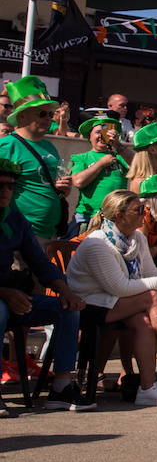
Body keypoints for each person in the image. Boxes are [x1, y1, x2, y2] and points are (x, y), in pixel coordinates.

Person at [65, 190, 157, 407]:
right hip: (87, 303)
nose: (144, 214)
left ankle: (148, 388)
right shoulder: (97, 244)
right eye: (138, 210)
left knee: (144, 321)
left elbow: (151, 274)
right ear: (120, 215)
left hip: (116, 301)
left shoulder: (137, 239)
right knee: (151, 297)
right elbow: (119, 287)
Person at [0, 158, 87, 415]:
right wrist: (4, 293)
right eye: (0, 185)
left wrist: (65, 290)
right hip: (4, 297)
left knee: (67, 308)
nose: (6, 191)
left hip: (11, 294)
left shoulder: (14, 218)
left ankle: (61, 387)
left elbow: (39, 262)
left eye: (10, 186)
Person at [0, 76, 72, 242]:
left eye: (49, 113)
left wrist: (63, 190)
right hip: (20, 235)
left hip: (50, 233)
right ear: (22, 116)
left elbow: (48, 184)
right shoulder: (7, 146)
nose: (48, 118)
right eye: (41, 113)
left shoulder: (49, 146)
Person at [68, 107, 130, 236]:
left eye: (106, 132)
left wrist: (118, 146)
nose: (102, 136)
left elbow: (140, 168)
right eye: (98, 132)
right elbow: (78, 182)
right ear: (89, 136)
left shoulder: (120, 156)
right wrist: (101, 164)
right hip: (89, 218)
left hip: (116, 219)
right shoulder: (81, 158)